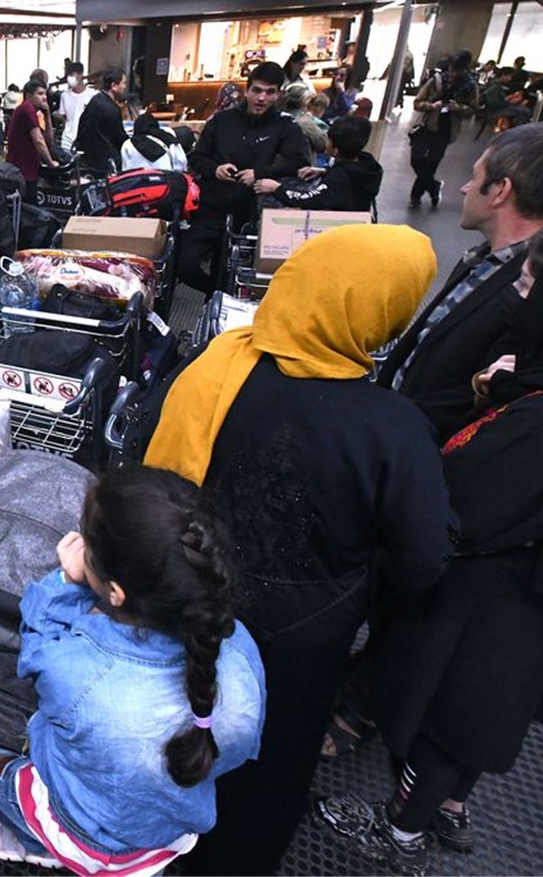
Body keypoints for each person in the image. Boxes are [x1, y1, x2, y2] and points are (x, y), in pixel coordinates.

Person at [148, 224, 456, 876]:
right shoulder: (392, 429)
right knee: (267, 774)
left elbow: (147, 470)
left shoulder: (217, 365)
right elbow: (425, 559)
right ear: (384, 314)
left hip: (184, 601)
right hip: (301, 642)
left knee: (166, 729)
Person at [314, 221, 543, 875]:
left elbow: (463, 504)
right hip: (533, 609)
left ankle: (400, 829)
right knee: (477, 723)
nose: (519, 299)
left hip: (487, 609)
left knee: (445, 724)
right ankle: (442, 807)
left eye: (532, 286)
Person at [0, 467, 266, 874]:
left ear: (115, 593)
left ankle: (44, 842)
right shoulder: (242, 652)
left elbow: (35, 652)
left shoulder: (79, 675)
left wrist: (65, 582)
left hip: (86, 830)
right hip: (165, 836)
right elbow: (237, 751)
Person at [377, 121, 543, 439]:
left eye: (475, 177)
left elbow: (476, 398)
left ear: (500, 191)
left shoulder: (538, 286)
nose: (465, 188)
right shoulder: (485, 258)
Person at [177, 61, 310, 294]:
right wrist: (215, 169)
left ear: (278, 94)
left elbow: (299, 162)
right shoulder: (221, 121)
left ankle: (218, 304)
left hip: (249, 212)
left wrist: (260, 174)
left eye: (270, 92)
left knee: (229, 275)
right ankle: (216, 292)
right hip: (211, 206)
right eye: (257, 90)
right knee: (185, 265)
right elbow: (196, 157)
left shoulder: (285, 126)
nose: (262, 98)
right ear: (247, 90)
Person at [254, 115, 381, 212]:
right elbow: (349, 179)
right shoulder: (368, 165)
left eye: (329, 140)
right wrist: (324, 170)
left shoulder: (339, 178)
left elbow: (309, 199)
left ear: (335, 150)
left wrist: (276, 188)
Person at [408, 50, 479, 210]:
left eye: (458, 71)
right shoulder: (437, 80)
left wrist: (458, 107)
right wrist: (432, 106)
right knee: (417, 159)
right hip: (426, 125)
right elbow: (418, 102)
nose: (454, 74)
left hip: (447, 129)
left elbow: (474, 109)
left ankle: (416, 197)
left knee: (432, 163)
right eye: (453, 70)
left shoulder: (470, 86)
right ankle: (434, 186)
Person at [75, 68, 130, 174]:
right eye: (123, 83)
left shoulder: (95, 100)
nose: (125, 87)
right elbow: (119, 138)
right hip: (106, 163)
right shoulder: (111, 108)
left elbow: (82, 125)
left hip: (89, 158)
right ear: (114, 86)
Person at [6, 80, 57, 185]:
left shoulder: (33, 112)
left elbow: (48, 141)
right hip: (22, 171)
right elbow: (38, 140)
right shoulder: (26, 108)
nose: (44, 98)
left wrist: (47, 116)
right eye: (40, 94)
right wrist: (50, 163)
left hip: (29, 169)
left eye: (45, 94)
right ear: (29, 95)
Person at [122, 112, 188, 172]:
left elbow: (125, 169)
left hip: (138, 182)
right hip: (166, 180)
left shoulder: (128, 144)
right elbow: (181, 163)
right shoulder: (169, 139)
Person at [58, 61, 97, 151]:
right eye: (68, 75)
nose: (69, 78)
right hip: (67, 141)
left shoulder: (92, 95)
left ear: (81, 75)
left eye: (72, 74)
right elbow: (64, 118)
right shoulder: (64, 95)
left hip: (86, 140)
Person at [283, 85, 327, 156]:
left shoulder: (277, 117)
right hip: (302, 163)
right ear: (304, 103)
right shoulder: (305, 122)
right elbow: (323, 144)